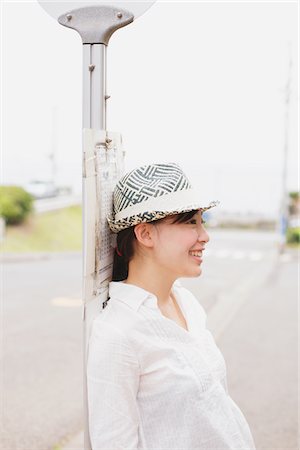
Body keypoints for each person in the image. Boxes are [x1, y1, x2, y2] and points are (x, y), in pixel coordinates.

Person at [87, 162, 256, 450]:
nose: (204, 236)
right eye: (191, 222)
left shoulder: (186, 302)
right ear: (146, 234)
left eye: (202, 222)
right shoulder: (118, 332)